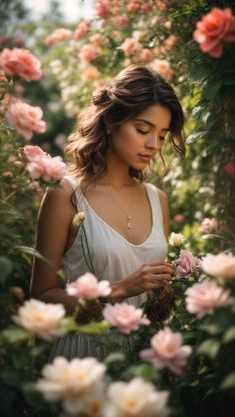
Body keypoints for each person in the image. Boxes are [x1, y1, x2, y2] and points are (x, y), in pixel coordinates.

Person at [30, 64, 185, 360]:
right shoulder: (66, 195)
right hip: (86, 354)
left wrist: (176, 289)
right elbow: (41, 296)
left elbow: (156, 299)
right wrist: (119, 289)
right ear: (112, 121)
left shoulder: (158, 199)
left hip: (148, 356)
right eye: (143, 130)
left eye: (162, 136)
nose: (153, 145)